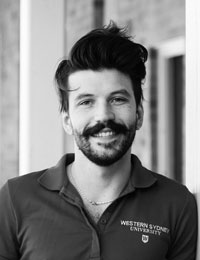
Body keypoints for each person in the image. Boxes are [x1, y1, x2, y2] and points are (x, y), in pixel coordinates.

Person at [0, 22, 197, 260]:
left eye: (117, 99)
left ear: (139, 114)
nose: (104, 116)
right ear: (67, 120)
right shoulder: (16, 199)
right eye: (86, 102)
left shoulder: (177, 204)